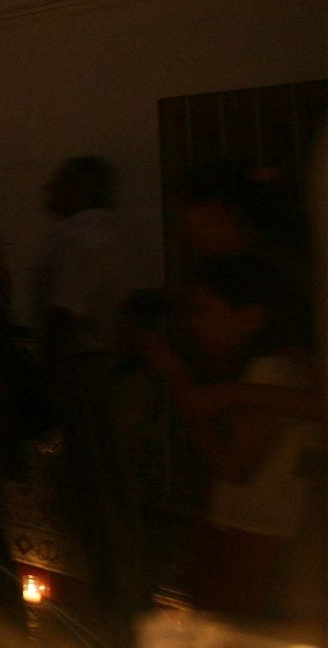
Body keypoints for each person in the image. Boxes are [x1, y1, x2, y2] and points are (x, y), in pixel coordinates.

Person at [136, 255, 324, 624]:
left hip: (254, 538)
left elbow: (233, 467)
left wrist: (178, 377)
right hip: (250, 535)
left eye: (204, 311)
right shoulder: (270, 372)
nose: (195, 325)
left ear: (250, 317)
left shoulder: (268, 373)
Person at [34, 156, 150, 646]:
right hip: (133, 373)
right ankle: (132, 610)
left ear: (81, 187)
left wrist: (49, 383)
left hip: (90, 373)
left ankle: (114, 617)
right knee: (125, 497)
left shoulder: (75, 237)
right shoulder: (128, 235)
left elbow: (65, 313)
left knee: (99, 500)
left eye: (59, 182)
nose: (50, 191)